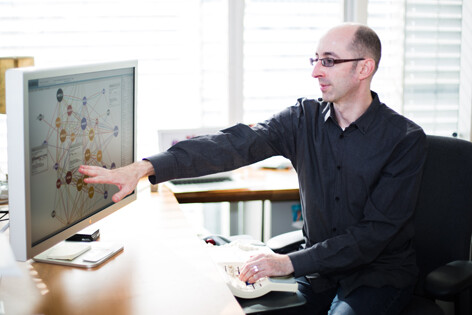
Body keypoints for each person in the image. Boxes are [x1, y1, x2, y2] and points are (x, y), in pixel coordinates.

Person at [79, 23, 427, 314]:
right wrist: (145, 166)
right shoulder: (302, 119)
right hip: (318, 273)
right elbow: (234, 143)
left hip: (377, 276)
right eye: (316, 59)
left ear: (364, 68)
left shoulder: (404, 139)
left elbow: (372, 237)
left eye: (329, 61)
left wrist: (288, 263)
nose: (315, 71)